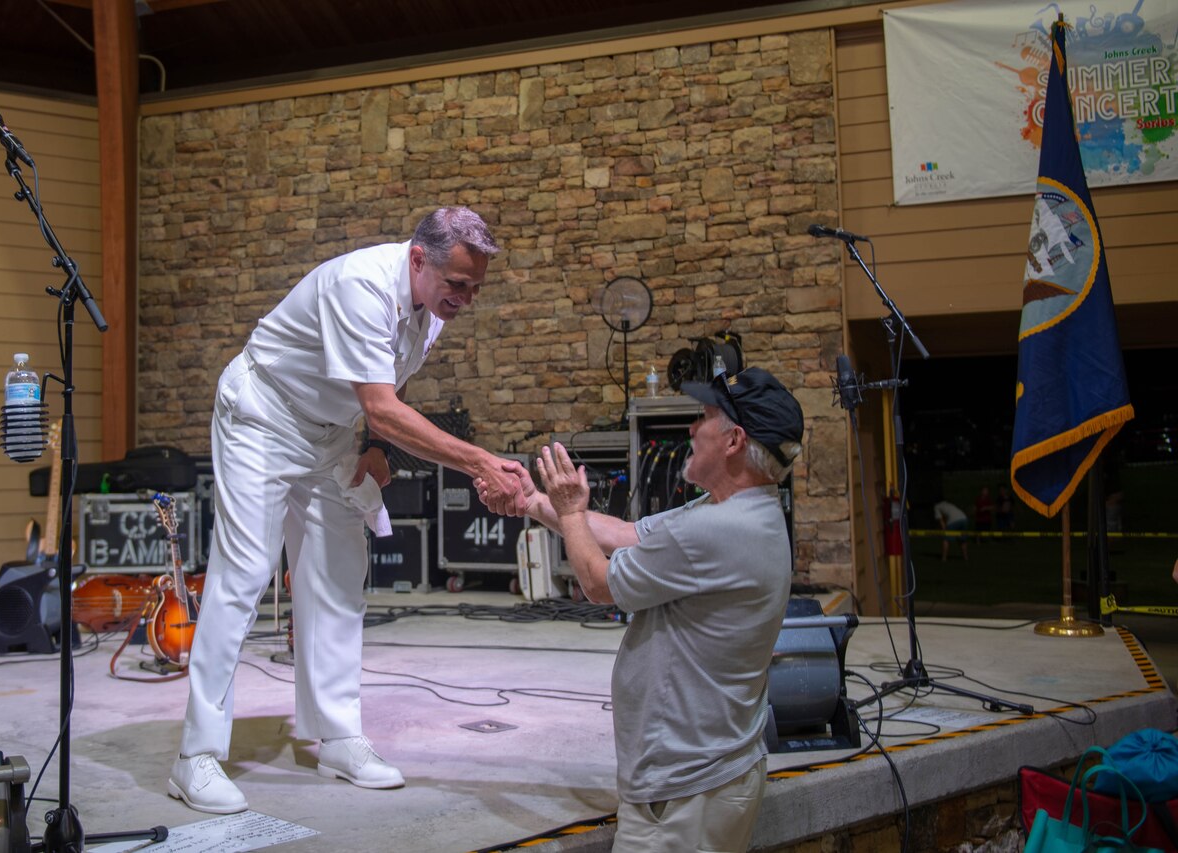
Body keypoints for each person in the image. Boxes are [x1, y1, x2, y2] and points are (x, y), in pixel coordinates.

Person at [168, 207, 527, 815]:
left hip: (328, 433)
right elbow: (383, 405)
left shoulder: (430, 305)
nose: (465, 298)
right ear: (419, 259)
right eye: (457, 284)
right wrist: (478, 462)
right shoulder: (360, 286)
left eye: (474, 288)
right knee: (245, 574)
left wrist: (379, 447)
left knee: (339, 577)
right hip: (263, 415)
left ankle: (337, 739)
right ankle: (195, 756)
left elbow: (393, 382)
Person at [484, 366, 801, 852]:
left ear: (734, 440)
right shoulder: (736, 510)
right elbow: (624, 535)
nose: (692, 430)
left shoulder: (717, 531)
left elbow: (596, 581)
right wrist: (534, 502)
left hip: (687, 794)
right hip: (708, 776)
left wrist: (569, 511)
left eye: (705, 418)